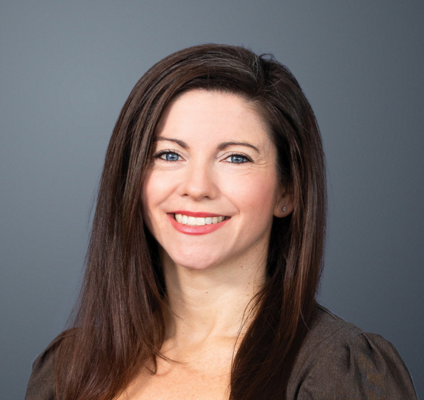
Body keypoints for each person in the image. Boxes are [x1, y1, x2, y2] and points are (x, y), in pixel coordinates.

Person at [25, 44, 417, 400]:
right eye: (169, 155)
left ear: (288, 192)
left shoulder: (339, 371)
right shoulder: (68, 368)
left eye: (236, 158)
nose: (196, 187)